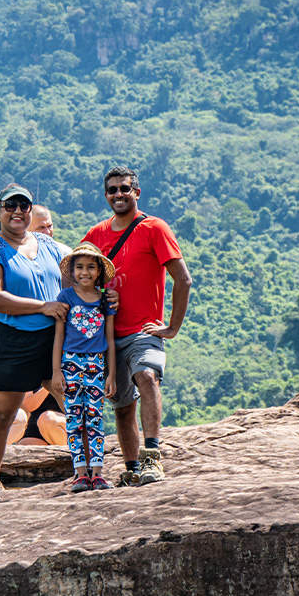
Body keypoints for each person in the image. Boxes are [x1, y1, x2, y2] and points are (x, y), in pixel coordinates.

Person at [82, 166, 191, 486]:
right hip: (106, 334)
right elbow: (75, 277)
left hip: (144, 331)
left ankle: (152, 457)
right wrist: (99, 296)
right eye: (112, 190)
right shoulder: (96, 235)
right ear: (106, 195)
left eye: (124, 189)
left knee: (147, 377)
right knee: (122, 404)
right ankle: (131, 468)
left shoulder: (154, 228)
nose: (118, 194)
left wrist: (172, 328)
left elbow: (183, 279)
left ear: (137, 193)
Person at [0, 184, 66, 502]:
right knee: (1, 414)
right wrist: (42, 307)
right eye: (10, 205)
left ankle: (90, 471)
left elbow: (80, 273)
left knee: (74, 402)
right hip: (11, 340)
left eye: (24, 206)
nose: (17, 211)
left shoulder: (48, 245)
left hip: (53, 339)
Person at [51, 242, 117, 492]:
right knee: (74, 419)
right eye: (79, 267)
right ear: (72, 271)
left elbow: (109, 339)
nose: (85, 272)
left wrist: (111, 374)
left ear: (99, 271)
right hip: (70, 363)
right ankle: (80, 473)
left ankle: (97, 473)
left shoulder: (105, 300)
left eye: (90, 267)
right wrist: (56, 371)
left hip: (96, 364)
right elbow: (58, 336)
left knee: (94, 418)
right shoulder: (65, 297)